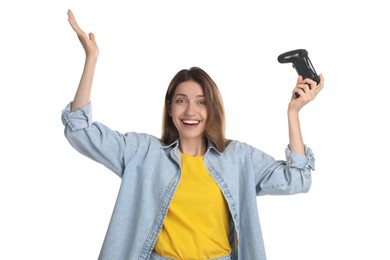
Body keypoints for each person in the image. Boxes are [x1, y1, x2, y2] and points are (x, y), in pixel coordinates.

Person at [62, 9, 324, 260]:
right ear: (169, 107)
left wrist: (293, 112)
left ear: (212, 108)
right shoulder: (142, 152)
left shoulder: (238, 158)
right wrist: (91, 59)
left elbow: (298, 179)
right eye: (181, 101)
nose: (191, 111)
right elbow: (79, 130)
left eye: (201, 102)